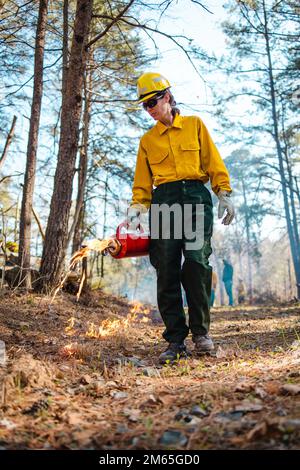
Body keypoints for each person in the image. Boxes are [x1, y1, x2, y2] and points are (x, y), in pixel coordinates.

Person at [127, 72, 235, 364]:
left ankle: (201, 333)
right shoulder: (147, 140)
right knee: (166, 267)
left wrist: (223, 192)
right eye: (144, 106)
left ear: (168, 96)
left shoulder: (195, 125)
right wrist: (137, 209)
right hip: (164, 203)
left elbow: (213, 161)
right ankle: (176, 339)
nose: (149, 109)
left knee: (197, 262)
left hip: (196, 199)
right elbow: (142, 183)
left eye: (153, 102)